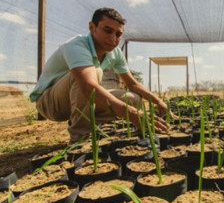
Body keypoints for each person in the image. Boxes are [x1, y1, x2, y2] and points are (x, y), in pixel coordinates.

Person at [30, 7, 170, 143]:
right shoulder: (77, 46)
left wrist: (158, 102)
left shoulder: (115, 53)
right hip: (50, 103)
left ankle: (90, 123)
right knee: (92, 73)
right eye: (107, 30)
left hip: (79, 99)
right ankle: (80, 138)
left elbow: (132, 84)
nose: (113, 38)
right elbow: (88, 86)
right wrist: (132, 114)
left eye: (118, 34)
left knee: (134, 99)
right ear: (92, 27)